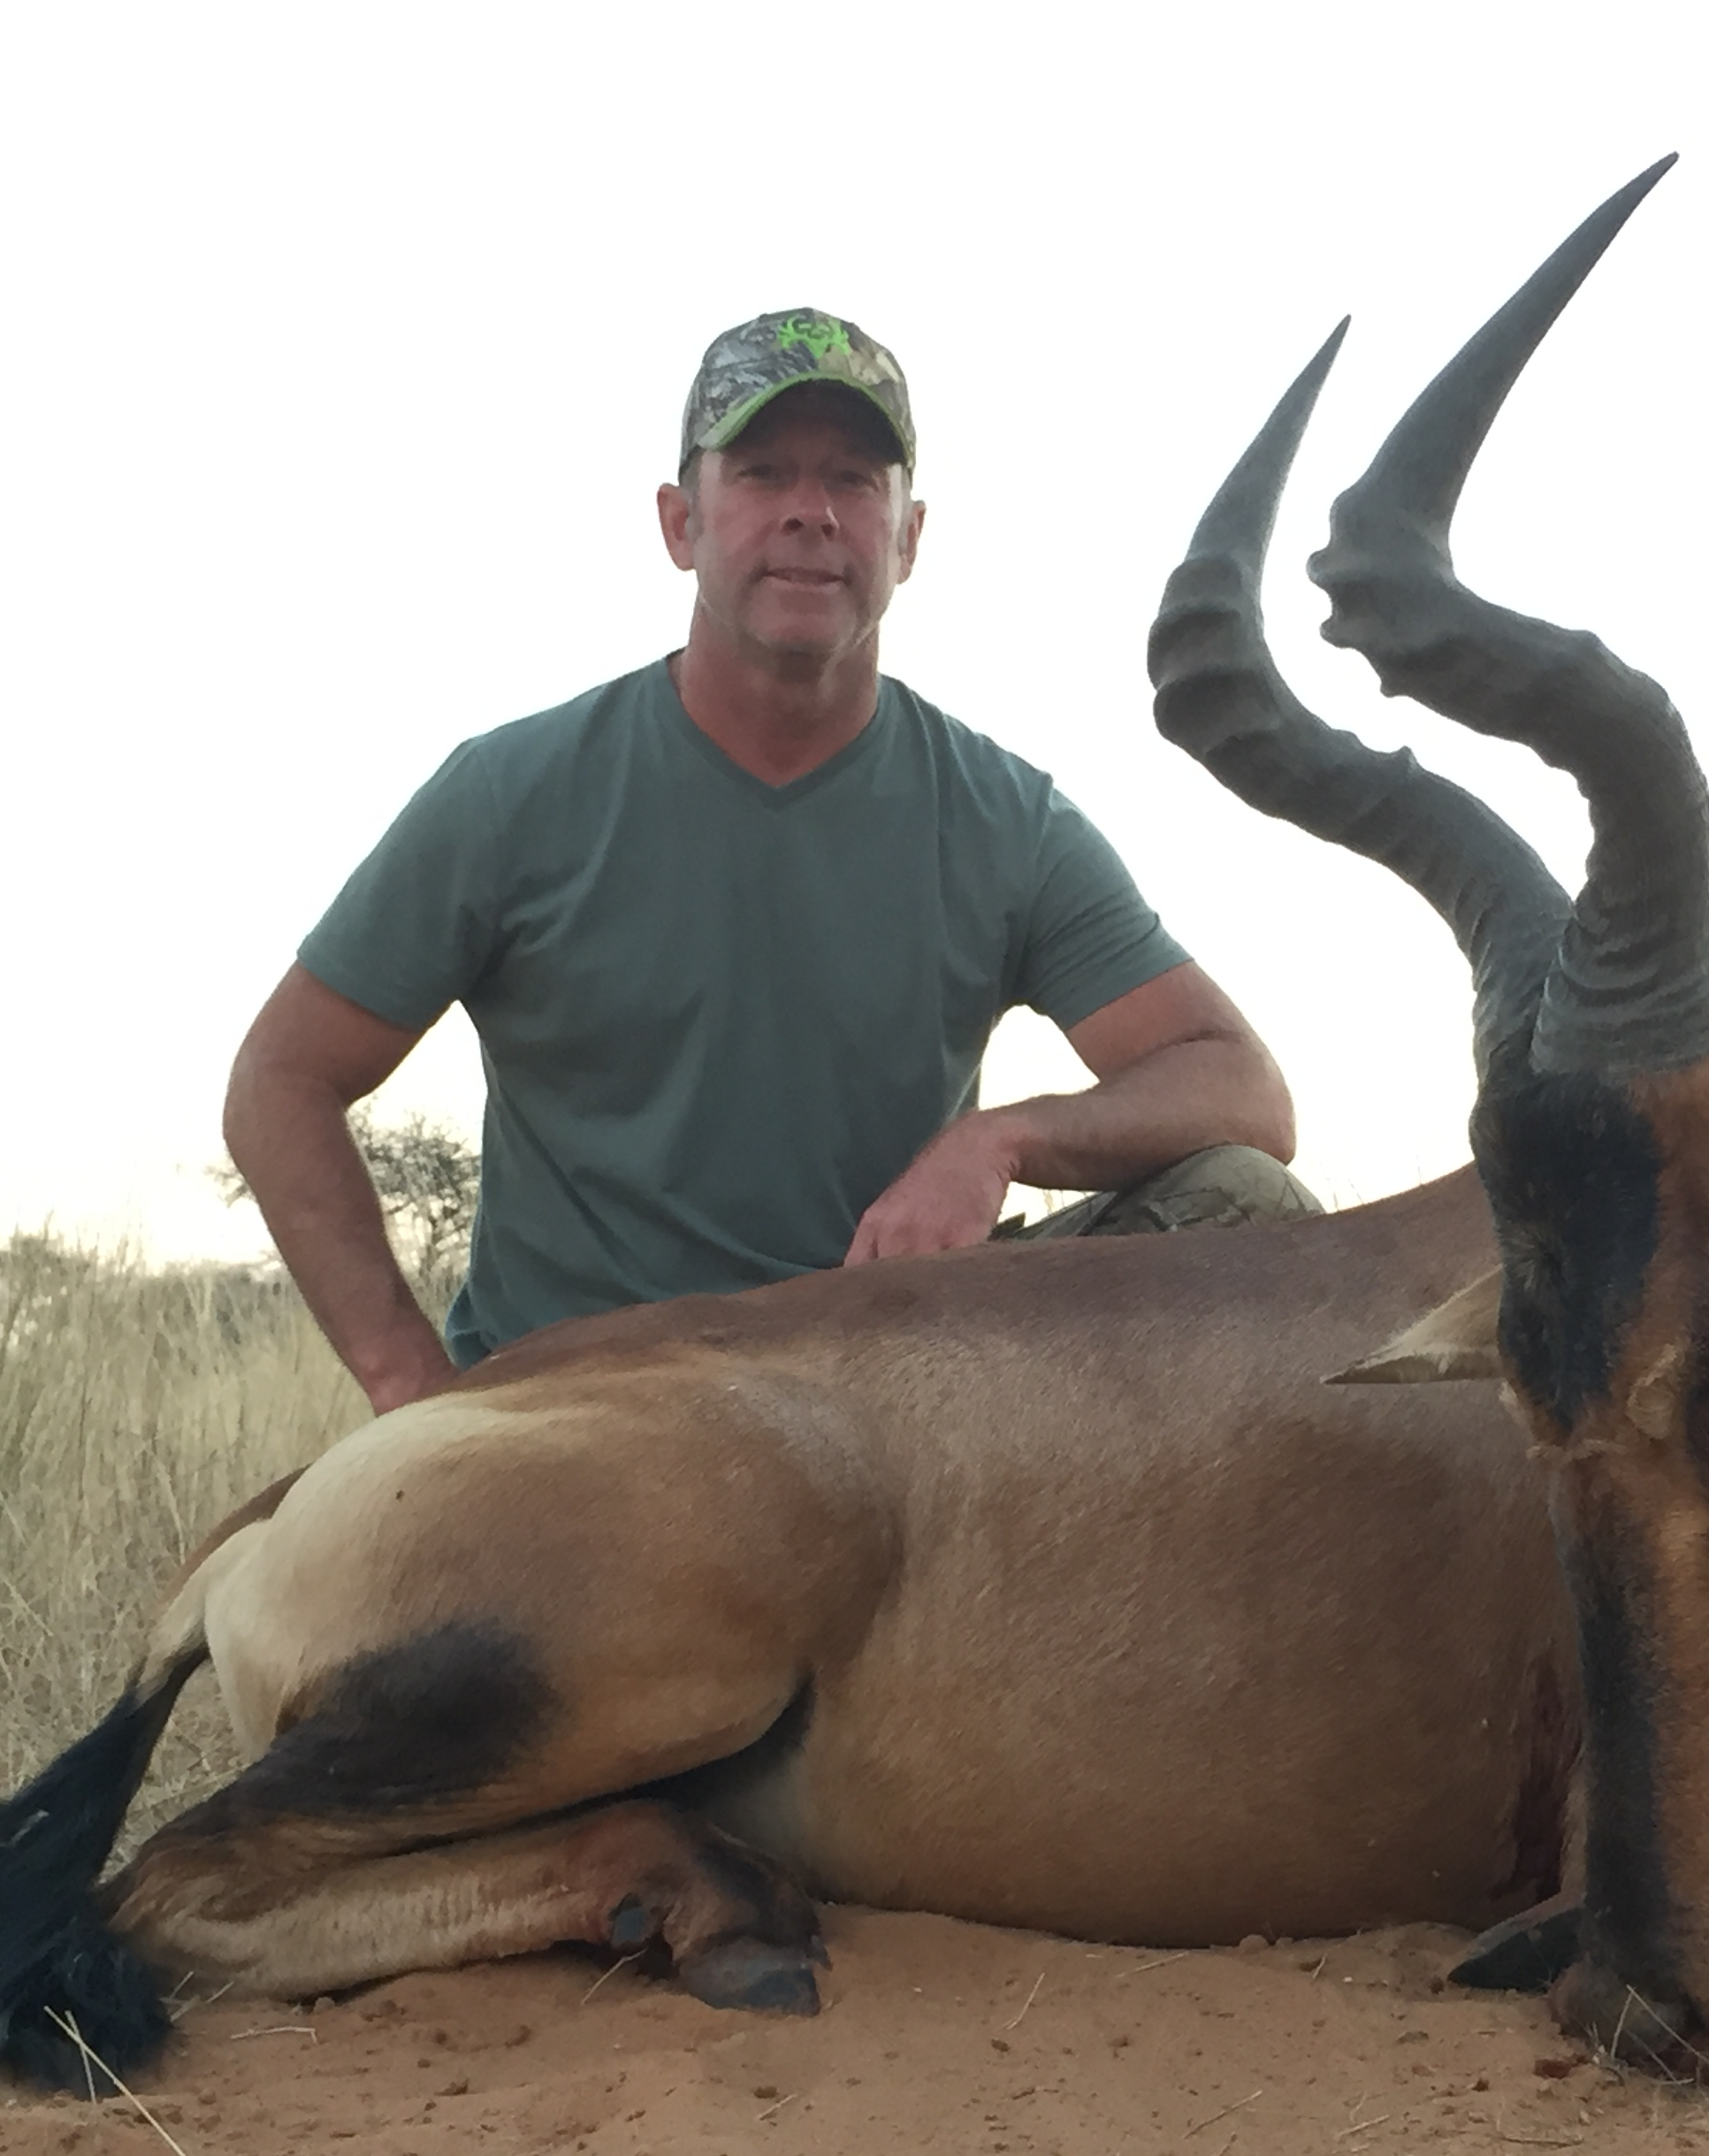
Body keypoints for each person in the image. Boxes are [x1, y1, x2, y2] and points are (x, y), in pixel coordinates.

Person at [225, 309, 1315, 1415]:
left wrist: (1000, 1141)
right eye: (760, 474)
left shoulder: (1004, 819)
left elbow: (1240, 1090)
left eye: (853, 478)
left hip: (880, 1392)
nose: (810, 512)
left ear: (909, 537)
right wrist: (412, 1388)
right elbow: (280, 1081)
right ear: (679, 522)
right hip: (578, 1411)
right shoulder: (513, 794)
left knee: (1243, 1201)